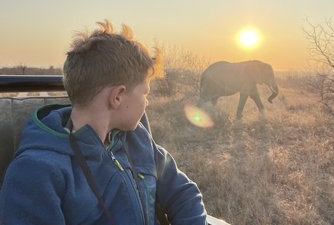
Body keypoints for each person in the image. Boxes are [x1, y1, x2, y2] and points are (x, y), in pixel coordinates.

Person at [0, 20, 207, 225]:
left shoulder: (137, 138)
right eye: (145, 93)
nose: (147, 102)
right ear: (117, 96)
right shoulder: (35, 172)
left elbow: (184, 193)